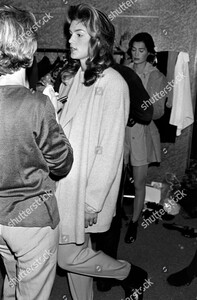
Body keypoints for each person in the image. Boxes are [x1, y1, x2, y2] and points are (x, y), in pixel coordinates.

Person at [56, 4, 148, 300]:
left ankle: (129, 273)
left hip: (86, 190)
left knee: (67, 257)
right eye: (70, 33)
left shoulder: (113, 83)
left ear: (97, 39)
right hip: (67, 183)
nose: (70, 40)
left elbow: (109, 149)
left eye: (78, 34)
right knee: (77, 257)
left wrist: (93, 202)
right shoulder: (74, 77)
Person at [0, 5, 73, 300]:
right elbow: (62, 164)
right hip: (32, 223)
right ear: (29, 50)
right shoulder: (38, 105)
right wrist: (53, 114)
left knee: (12, 280)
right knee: (32, 293)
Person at [124, 32, 167, 243]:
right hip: (120, 133)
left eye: (141, 50)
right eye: (133, 49)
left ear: (149, 52)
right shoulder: (124, 71)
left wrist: (138, 112)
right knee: (115, 181)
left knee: (139, 183)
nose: (136, 54)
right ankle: (112, 218)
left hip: (142, 133)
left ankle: (134, 223)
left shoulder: (157, 77)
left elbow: (158, 111)